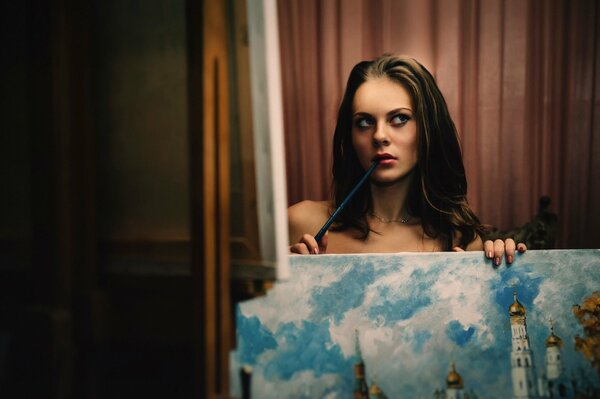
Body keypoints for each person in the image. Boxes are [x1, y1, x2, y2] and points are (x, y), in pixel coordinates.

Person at [288, 54, 525, 265]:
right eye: (365, 122)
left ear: (428, 130)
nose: (379, 135)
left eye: (400, 118)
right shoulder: (300, 223)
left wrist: (502, 271)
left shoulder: (459, 241)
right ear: (350, 137)